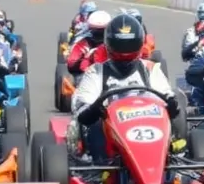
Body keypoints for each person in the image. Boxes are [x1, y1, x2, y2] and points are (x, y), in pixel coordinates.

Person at [68, 14, 179, 166]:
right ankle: (100, 170)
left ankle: (164, 165)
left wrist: (171, 104)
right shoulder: (97, 72)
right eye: (121, 45)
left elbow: (167, 97)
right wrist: (94, 109)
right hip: (109, 138)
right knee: (94, 124)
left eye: (129, 45)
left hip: (146, 123)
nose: (125, 50)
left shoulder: (150, 69)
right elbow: (82, 109)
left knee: (166, 115)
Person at [66, 10, 111, 76]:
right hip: (89, 77)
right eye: (96, 31)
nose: (99, 34)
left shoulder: (114, 43)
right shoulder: (84, 43)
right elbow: (71, 63)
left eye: (102, 31)